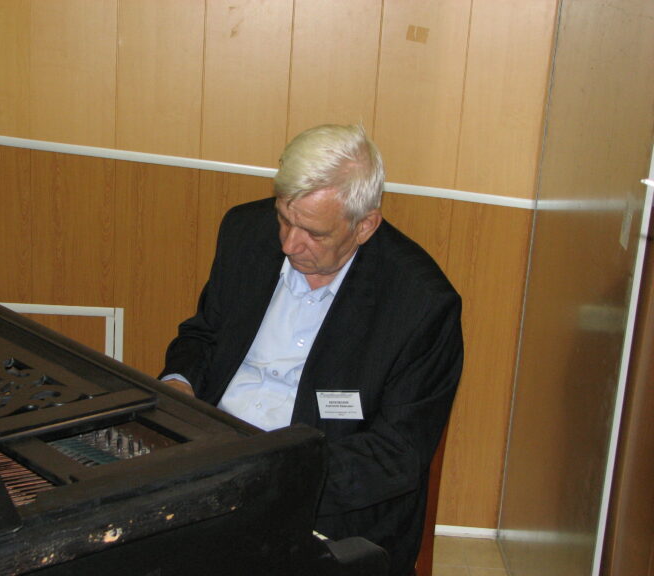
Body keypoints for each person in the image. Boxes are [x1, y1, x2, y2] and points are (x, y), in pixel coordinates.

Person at [160, 124, 463, 576]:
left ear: (365, 226)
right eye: (284, 218)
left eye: (313, 233)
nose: (288, 243)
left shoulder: (420, 304)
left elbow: (396, 454)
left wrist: (272, 479)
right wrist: (178, 385)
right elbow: (203, 334)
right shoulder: (245, 230)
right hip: (213, 457)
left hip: (324, 498)